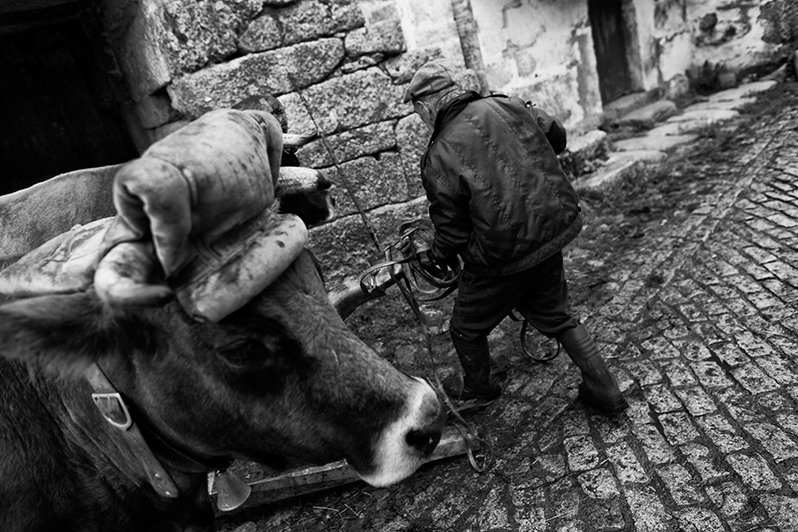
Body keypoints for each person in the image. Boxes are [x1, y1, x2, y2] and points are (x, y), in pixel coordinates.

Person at [404, 60, 628, 413]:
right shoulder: (507, 104)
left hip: (503, 257)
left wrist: (437, 257)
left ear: (424, 106)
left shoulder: (438, 155)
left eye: (418, 113)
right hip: (550, 230)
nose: (421, 119)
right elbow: (558, 136)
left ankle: (479, 388)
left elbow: (452, 229)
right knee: (557, 315)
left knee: (465, 327)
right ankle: (605, 389)